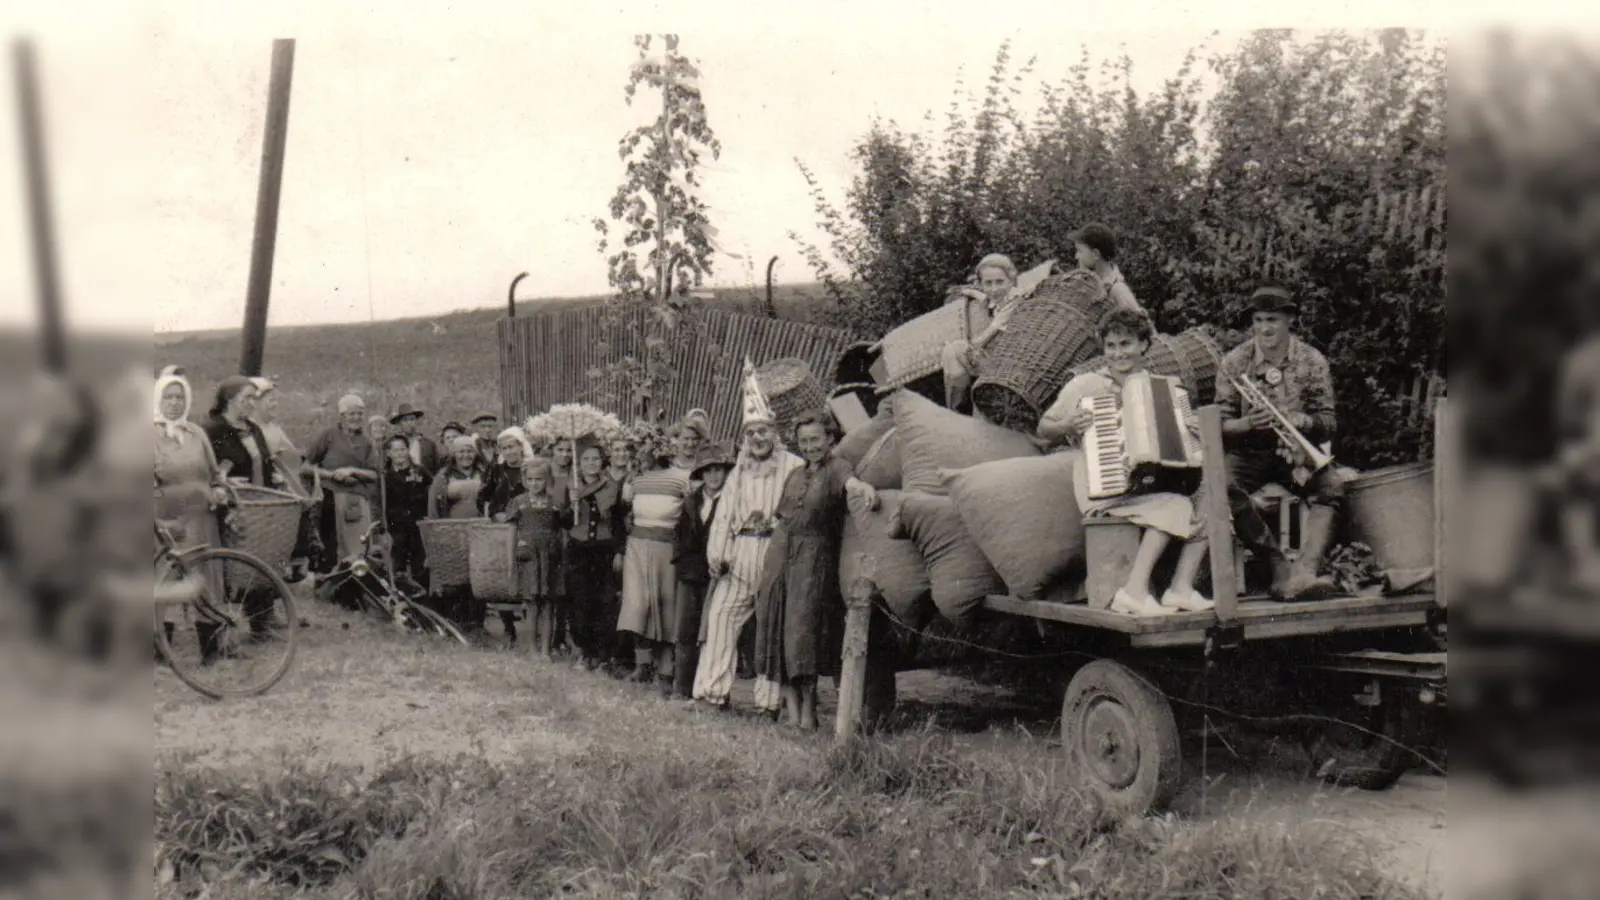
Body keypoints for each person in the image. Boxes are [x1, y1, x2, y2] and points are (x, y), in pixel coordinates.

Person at [1039, 308, 1213, 616]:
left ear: (1144, 345)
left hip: (1153, 483)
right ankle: (1133, 592)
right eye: (1111, 346)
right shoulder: (1085, 385)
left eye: (1126, 344)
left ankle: (1181, 588)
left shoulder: (1163, 387)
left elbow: (1185, 444)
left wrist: (1192, 432)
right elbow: (1044, 427)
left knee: (1210, 496)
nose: (1118, 353)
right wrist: (1068, 425)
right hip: (1103, 484)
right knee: (1176, 505)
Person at [1216, 284, 1344, 602]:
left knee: (1331, 486)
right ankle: (1276, 565)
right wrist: (1246, 424)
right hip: (1248, 450)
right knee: (1222, 487)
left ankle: (1306, 570)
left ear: (1289, 320)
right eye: (1258, 320)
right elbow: (1218, 424)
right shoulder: (1235, 361)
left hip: (1294, 451)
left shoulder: (1312, 360)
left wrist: (1305, 421)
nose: (1264, 328)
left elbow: (1328, 421)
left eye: (1272, 320)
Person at [753, 411, 881, 728]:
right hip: (780, 555)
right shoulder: (795, 475)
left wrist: (863, 489)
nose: (809, 446)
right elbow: (782, 517)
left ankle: (809, 716)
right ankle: (792, 715)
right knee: (775, 628)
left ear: (829, 439)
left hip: (813, 559)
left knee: (802, 637)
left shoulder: (837, 468)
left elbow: (850, 484)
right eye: (804, 440)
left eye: (815, 439)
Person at [692, 364, 803, 713]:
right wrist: (718, 553)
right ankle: (713, 694)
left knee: (771, 626)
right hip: (740, 556)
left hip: (775, 552)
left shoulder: (794, 466)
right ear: (745, 437)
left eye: (765, 431)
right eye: (752, 432)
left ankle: (768, 703)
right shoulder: (738, 471)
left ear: (775, 432)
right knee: (721, 618)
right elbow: (724, 516)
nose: (759, 439)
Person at [617, 418, 703, 692]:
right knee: (638, 605)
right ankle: (642, 664)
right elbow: (623, 512)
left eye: (648, 449)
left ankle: (666, 669)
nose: (644, 454)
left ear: (660, 449)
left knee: (666, 607)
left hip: (668, 548)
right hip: (637, 546)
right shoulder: (635, 480)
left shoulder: (681, 479)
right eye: (639, 450)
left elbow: (692, 517)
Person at [153, 367, 228, 659]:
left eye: (179, 397)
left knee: (205, 576)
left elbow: (213, 473)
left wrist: (218, 489)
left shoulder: (197, 433)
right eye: (168, 397)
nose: (174, 403)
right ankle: (161, 649)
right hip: (168, 520)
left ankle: (210, 647)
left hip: (201, 518)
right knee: (166, 578)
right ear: (158, 400)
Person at [671, 442, 733, 701]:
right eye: (707, 471)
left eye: (718, 470)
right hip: (691, 574)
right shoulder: (691, 502)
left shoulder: (731, 501)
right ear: (701, 475)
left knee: (716, 632)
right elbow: (680, 537)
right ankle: (682, 686)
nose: (713, 476)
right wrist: (686, 566)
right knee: (686, 630)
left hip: (720, 573)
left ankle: (713, 690)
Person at [557, 440, 626, 671]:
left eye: (595, 459)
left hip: (604, 551)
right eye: (586, 459)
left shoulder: (612, 487)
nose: (591, 463)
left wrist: (619, 551)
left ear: (602, 461)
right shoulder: (571, 487)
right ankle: (584, 652)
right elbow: (563, 522)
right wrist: (572, 505)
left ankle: (603, 655)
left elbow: (618, 523)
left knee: (605, 603)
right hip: (579, 551)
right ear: (579, 462)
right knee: (579, 602)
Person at [939, 253, 1020, 413]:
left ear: (1011, 280)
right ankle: (957, 405)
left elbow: (983, 339)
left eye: (1000, 282)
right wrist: (969, 292)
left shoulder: (1015, 300)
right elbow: (987, 299)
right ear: (981, 284)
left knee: (952, 352)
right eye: (988, 283)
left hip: (1009, 367)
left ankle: (956, 409)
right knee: (951, 354)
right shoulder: (1001, 298)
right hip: (998, 359)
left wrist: (968, 347)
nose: (994, 289)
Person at [500, 458, 565, 660]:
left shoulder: (555, 503)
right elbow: (511, 532)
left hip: (550, 557)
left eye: (540, 479)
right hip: (529, 556)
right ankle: (532, 650)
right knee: (532, 603)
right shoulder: (519, 503)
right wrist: (511, 560)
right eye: (530, 479)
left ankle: (545, 649)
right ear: (525, 480)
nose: (535, 483)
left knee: (548, 603)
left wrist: (561, 556)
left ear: (548, 480)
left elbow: (562, 531)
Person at [306, 394, 382, 565]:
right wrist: (331, 475)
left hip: (356, 503)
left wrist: (352, 471)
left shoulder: (366, 442)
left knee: (358, 552)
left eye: (360, 414)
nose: (356, 418)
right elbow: (306, 467)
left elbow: (374, 474)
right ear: (342, 416)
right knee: (331, 550)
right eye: (352, 414)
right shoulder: (329, 435)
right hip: (330, 500)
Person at [1552, 332, 1600, 590]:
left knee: (1576, 491)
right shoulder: (1584, 358)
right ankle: (1584, 565)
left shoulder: (1582, 357)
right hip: (1588, 444)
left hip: (1588, 443)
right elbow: (1568, 414)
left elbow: (1567, 413)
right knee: (1577, 490)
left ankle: (1585, 565)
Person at [480, 427, 535, 643]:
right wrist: (495, 514)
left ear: (521, 447)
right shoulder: (496, 470)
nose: (509, 451)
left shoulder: (532, 468)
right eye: (504, 448)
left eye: (512, 446)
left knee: (526, 575)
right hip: (502, 529)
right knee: (503, 576)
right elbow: (483, 496)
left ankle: (531, 627)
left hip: (526, 527)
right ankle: (508, 627)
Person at [381, 434, 431, 587]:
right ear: (389, 453)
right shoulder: (385, 476)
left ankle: (422, 596)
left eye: (403, 449)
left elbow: (433, 489)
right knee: (398, 564)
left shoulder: (420, 471)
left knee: (420, 564)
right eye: (395, 450)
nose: (400, 454)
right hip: (396, 526)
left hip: (418, 525)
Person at [1069, 223, 1143, 313]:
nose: (1076, 256)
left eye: (1080, 251)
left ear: (1095, 254)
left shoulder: (1118, 291)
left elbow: (1139, 324)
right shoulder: (1084, 280)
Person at [392, 402, 440, 476]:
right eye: (405, 420)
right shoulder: (393, 444)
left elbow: (436, 469)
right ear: (399, 423)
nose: (409, 423)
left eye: (411, 419)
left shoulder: (428, 444)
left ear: (416, 421)